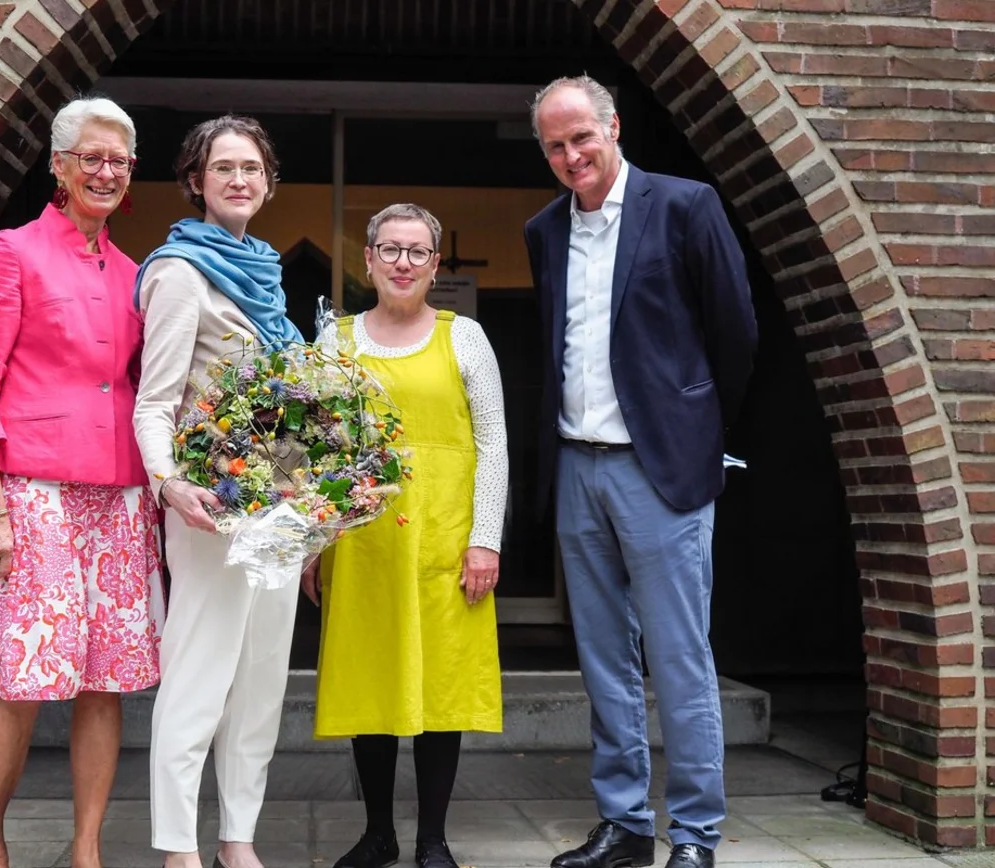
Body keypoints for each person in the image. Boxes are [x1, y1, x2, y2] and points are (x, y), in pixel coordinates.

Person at [524, 76, 758, 868]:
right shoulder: (543, 230)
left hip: (661, 472)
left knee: (679, 656)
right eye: (555, 146)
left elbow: (735, 332)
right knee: (603, 660)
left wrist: (695, 433)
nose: (571, 156)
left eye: (581, 138)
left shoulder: (686, 207)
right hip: (577, 465)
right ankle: (625, 826)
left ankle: (693, 835)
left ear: (613, 127)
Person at [0, 97, 163, 868]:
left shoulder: (137, 275)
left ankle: (86, 850)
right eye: (91, 158)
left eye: (119, 161)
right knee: (24, 679)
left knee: (104, 682)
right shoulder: (12, 251)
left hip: (121, 496)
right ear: (60, 166)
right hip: (33, 493)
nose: (105, 172)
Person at [303, 204, 509, 868]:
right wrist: (313, 544)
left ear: (434, 265)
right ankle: (378, 834)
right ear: (367, 259)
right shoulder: (335, 340)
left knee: (440, 686)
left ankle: (432, 839)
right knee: (370, 684)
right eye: (390, 249)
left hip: (445, 543)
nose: (402, 263)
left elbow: (494, 446)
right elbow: (318, 451)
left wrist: (486, 539)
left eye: (417, 252)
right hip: (363, 546)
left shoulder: (465, 337)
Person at [133, 115, 303, 868]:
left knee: (261, 680)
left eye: (252, 167)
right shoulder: (180, 273)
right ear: (196, 181)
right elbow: (154, 402)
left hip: (280, 510)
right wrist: (169, 484)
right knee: (200, 674)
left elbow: (289, 408)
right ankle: (179, 847)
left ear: (268, 183)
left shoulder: (264, 273)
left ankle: (238, 839)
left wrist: (310, 498)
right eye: (224, 167)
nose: (240, 179)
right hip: (209, 509)